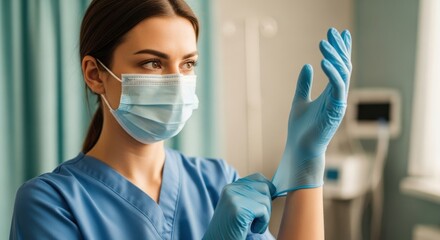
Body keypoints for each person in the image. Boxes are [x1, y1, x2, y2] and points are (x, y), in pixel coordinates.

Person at [9, 0, 352, 239]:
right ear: (95, 74)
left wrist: (308, 161)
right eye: (152, 63)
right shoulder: (50, 204)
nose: (176, 81)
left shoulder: (216, 181)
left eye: (187, 64)